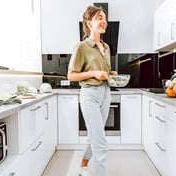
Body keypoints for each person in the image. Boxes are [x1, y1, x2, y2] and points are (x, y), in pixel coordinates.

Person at [67, 5, 117, 176]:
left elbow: (103, 72)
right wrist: (95, 73)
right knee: (100, 142)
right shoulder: (81, 47)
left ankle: (82, 166)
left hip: (106, 93)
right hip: (90, 95)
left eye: (104, 18)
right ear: (89, 23)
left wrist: (110, 74)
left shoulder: (106, 47)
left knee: (95, 134)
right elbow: (71, 75)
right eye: (99, 18)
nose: (104, 21)